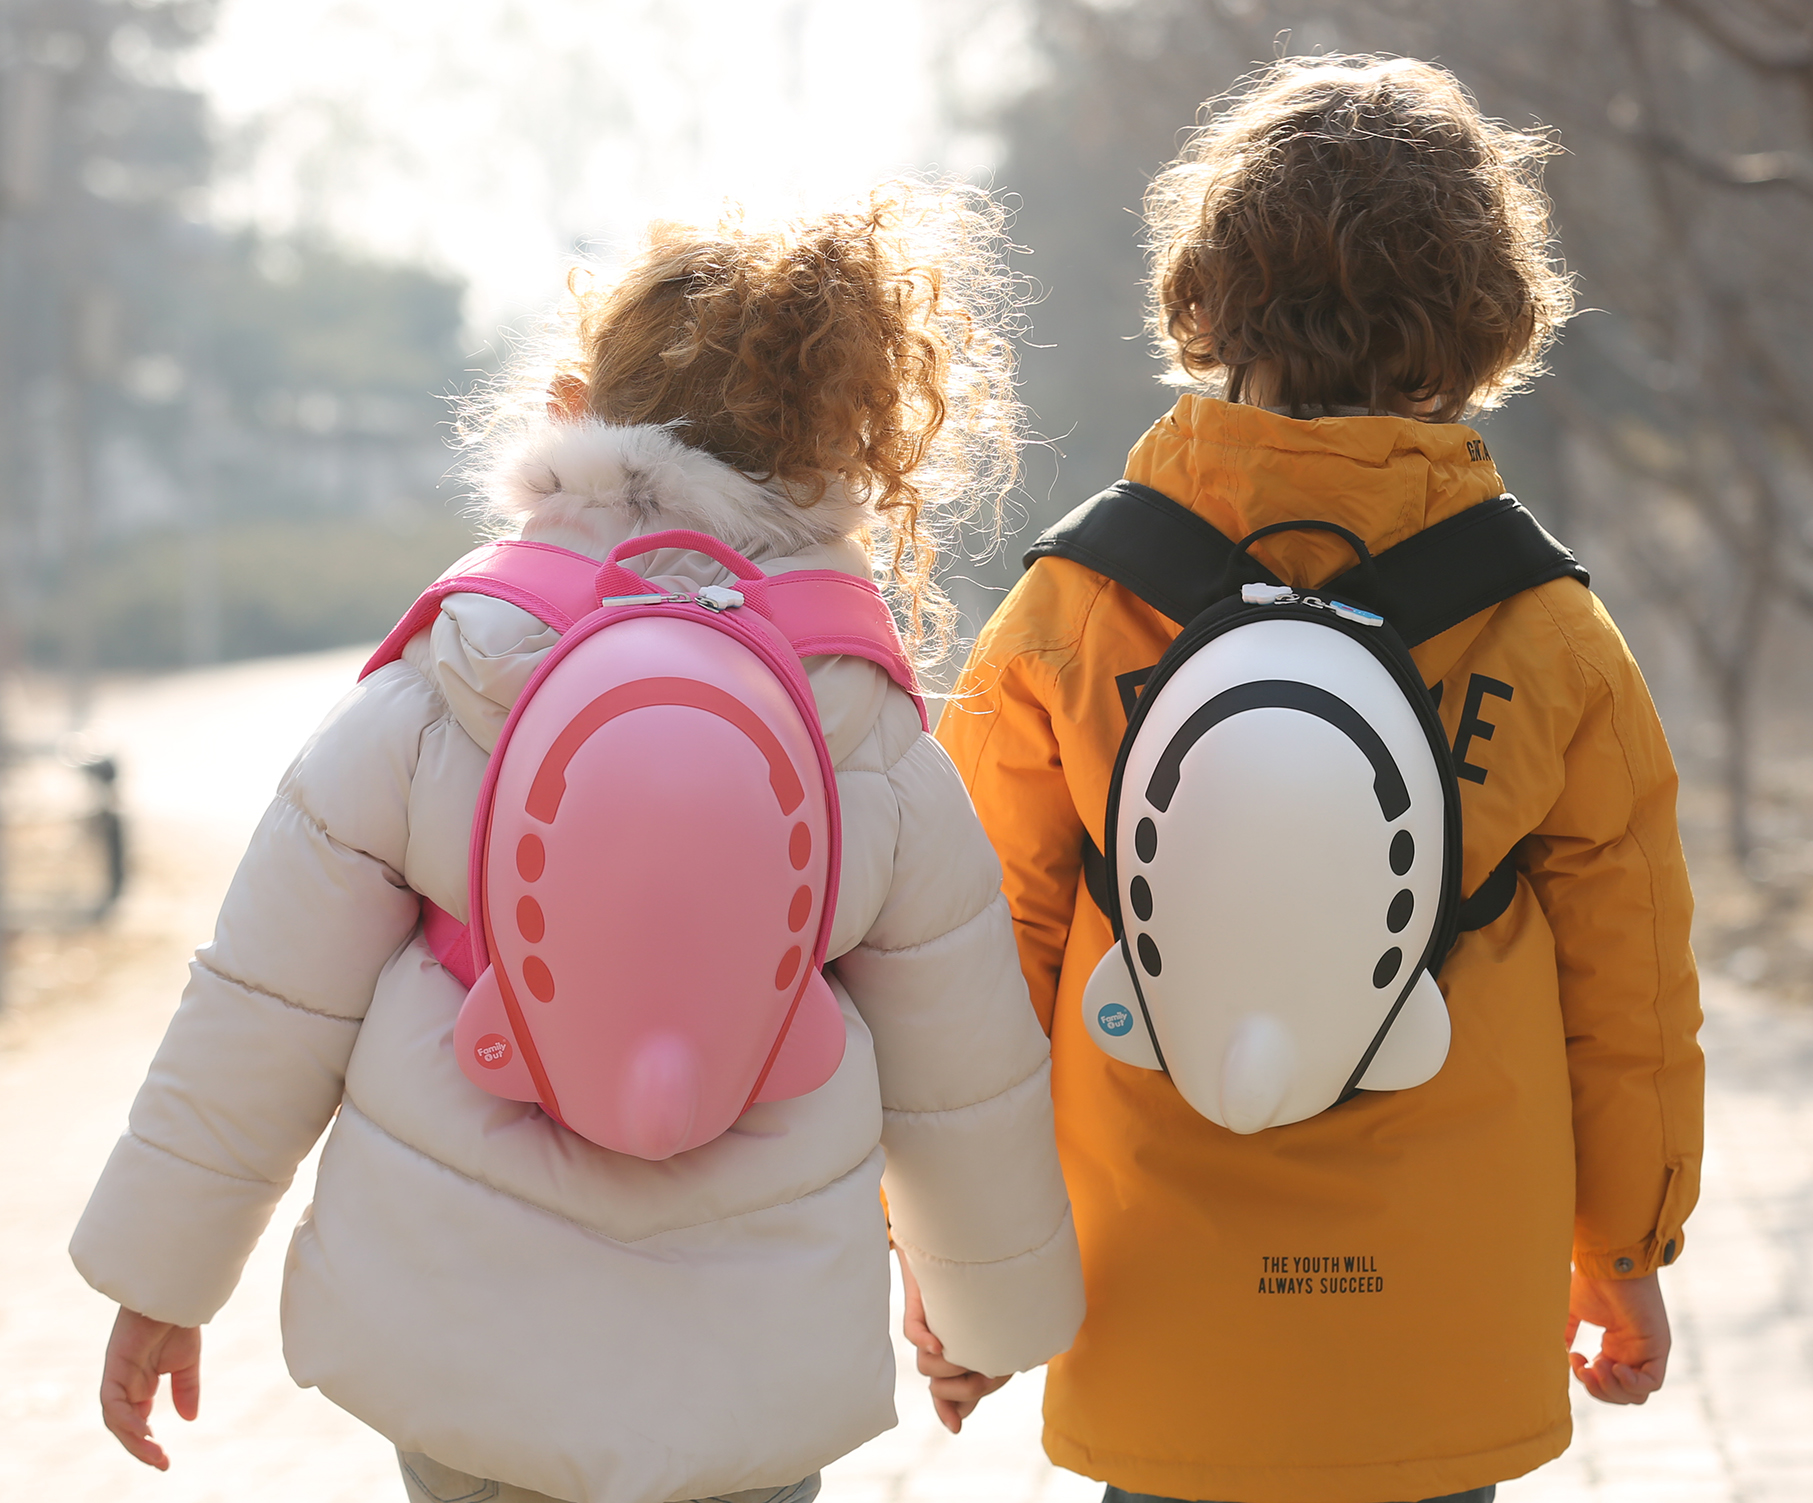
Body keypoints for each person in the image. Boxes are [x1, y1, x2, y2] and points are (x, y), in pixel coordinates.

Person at [71, 180, 1084, 1503]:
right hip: (749, 1367)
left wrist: (163, 1278)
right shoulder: (866, 733)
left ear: (571, 418)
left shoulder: (447, 680)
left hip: (459, 1337)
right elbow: (966, 1078)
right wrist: (982, 1321)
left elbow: (266, 995)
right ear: (842, 461)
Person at [928, 56, 1703, 1503]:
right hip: (1443, 1331)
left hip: (1157, 1315)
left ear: (1206, 296)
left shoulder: (1076, 608)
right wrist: (1627, 1249)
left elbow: (978, 963)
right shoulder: (1547, 629)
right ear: (1485, 322)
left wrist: (962, 1275)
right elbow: (1629, 988)